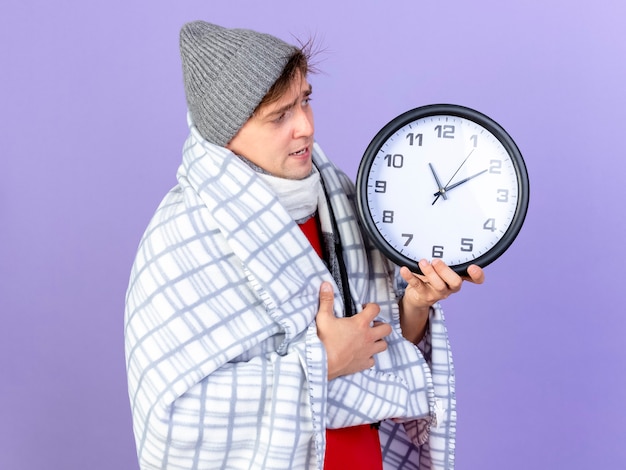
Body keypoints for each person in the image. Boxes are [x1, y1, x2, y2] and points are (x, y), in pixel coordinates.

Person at [124, 20, 485, 470]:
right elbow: (173, 423)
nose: (306, 127)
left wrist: (414, 302)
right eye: (280, 115)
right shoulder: (180, 241)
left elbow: (384, 355)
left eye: (306, 101)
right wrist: (323, 361)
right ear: (225, 134)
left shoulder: (340, 202)